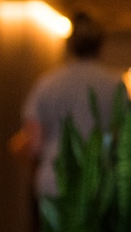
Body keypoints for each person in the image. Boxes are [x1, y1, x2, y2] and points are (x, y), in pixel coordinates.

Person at [22, 11, 124, 200]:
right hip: (100, 182)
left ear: (70, 44)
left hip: (54, 179)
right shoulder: (115, 85)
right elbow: (123, 137)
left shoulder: (48, 83)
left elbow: (35, 144)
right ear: (100, 44)